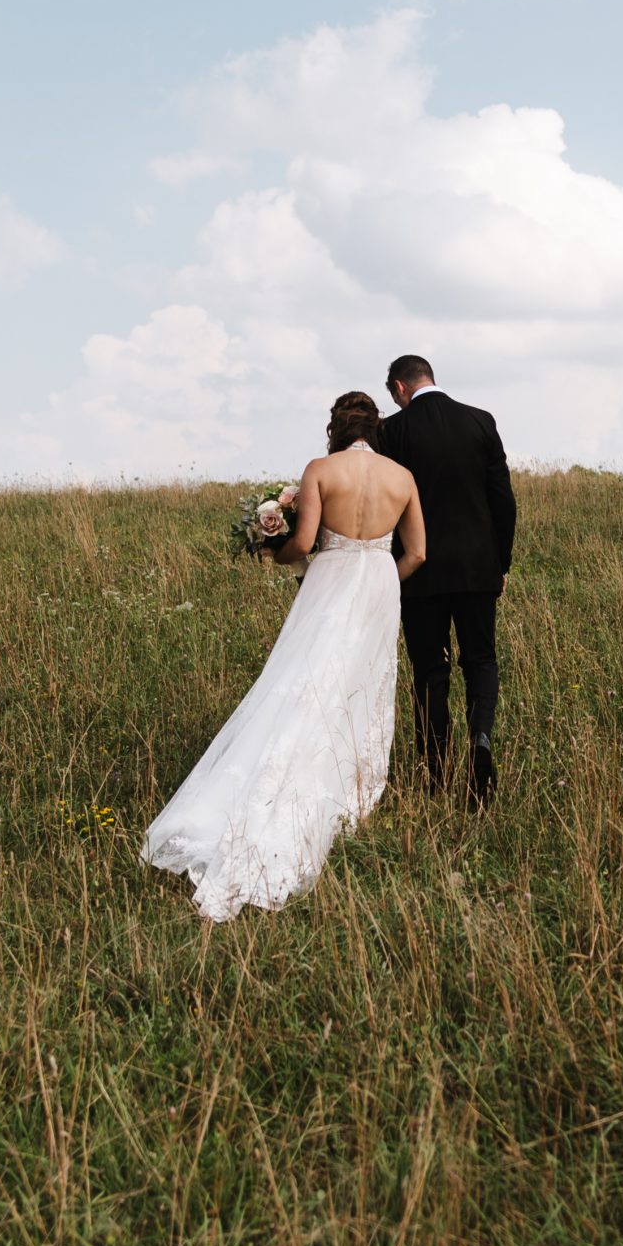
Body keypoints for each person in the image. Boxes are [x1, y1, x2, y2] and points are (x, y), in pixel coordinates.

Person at [139, 392, 426, 920]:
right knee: (362, 684)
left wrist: (275, 552)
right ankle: (351, 792)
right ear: (377, 427)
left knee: (305, 678)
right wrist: (383, 581)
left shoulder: (321, 469)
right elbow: (418, 552)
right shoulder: (402, 477)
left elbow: (306, 542)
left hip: (331, 578)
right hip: (380, 586)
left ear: (336, 427)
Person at [376, 354, 515, 809]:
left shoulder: (392, 433)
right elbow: (503, 501)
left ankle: (434, 773)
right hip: (478, 568)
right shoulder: (480, 421)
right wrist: (502, 565)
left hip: (419, 571)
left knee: (430, 670)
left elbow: (386, 507)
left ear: (399, 388)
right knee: (480, 660)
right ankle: (481, 741)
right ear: (429, 378)